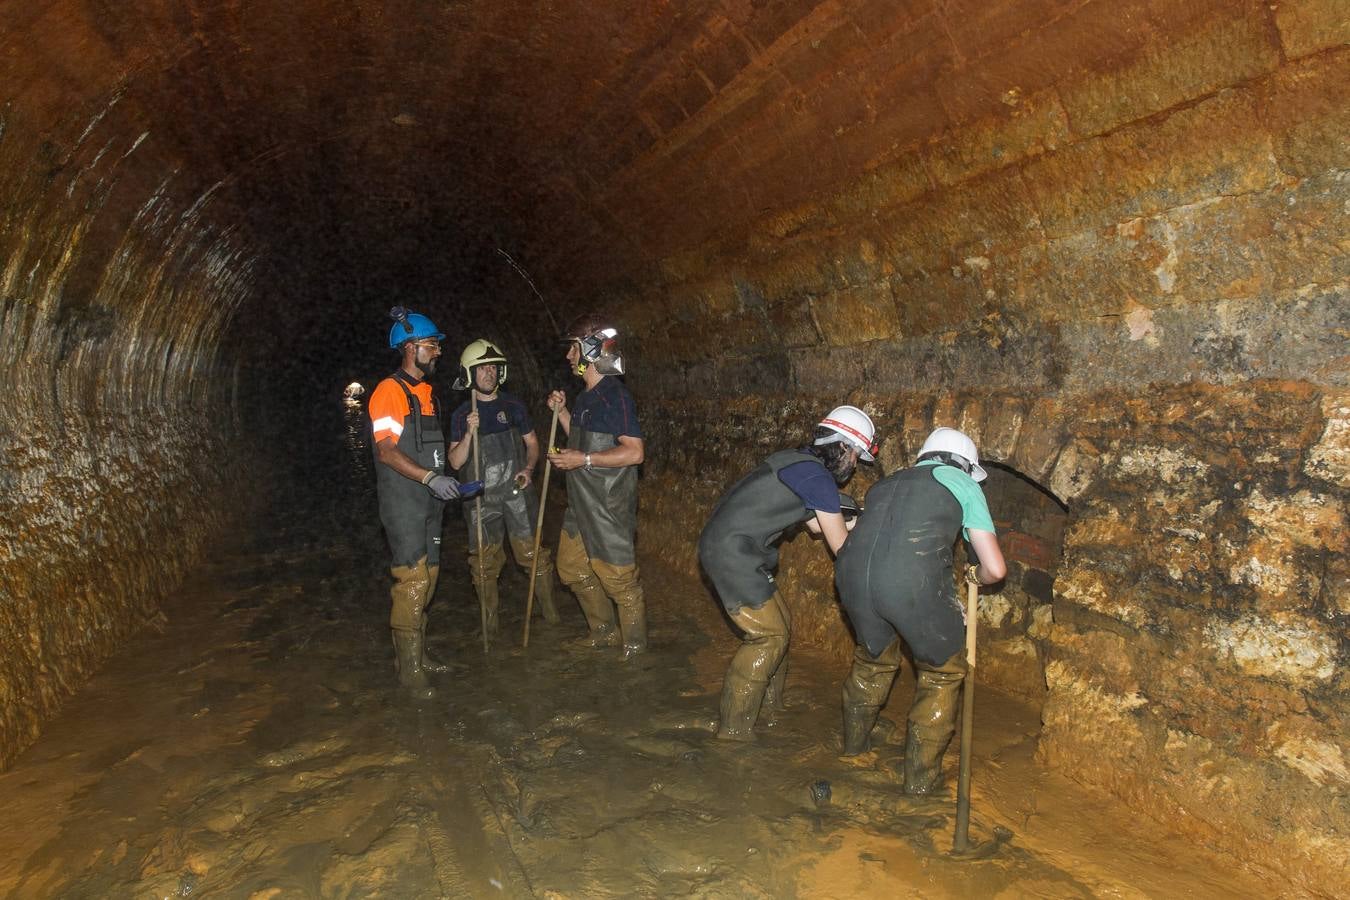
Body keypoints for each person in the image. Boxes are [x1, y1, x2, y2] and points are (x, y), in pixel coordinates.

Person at [834, 427, 1007, 794]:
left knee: (873, 661)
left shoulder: (885, 484)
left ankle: (853, 750)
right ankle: (920, 785)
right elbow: (995, 569)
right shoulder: (964, 484)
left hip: (849, 577)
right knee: (942, 673)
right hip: (909, 584)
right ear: (964, 464)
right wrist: (976, 573)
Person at [699, 406, 877, 742]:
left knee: (782, 623)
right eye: (856, 455)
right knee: (769, 636)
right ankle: (733, 732)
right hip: (733, 552)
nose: (854, 465)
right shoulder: (820, 479)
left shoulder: (795, 460)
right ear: (842, 446)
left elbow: (814, 523)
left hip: (732, 546)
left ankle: (769, 709)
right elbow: (841, 547)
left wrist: (854, 518)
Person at [368, 308, 467, 700]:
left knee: (430, 580)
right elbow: (387, 452)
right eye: (432, 345)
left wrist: (448, 480)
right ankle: (409, 671)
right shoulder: (387, 392)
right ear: (410, 348)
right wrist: (430, 478)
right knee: (411, 582)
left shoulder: (426, 394)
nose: (438, 352)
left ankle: (420, 655)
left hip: (431, 506)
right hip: (404, 504)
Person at [545, 316, 647, 659]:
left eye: (574, 348)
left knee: (620, 582)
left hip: (607, 504)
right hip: (581, 502)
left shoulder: (614, 396)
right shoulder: (588, 396)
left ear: (590, 350)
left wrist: (583, 460)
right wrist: (562, 415)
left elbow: (634, 452)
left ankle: (635, 650)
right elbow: (582, 434)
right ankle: (604, 631)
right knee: (571, 569)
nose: (569, 356)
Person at [447, 338, 560, 637]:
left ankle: (551, 616)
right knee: (483, 563)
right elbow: (456, 462)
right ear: (470, 373)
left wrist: (528, 468)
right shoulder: (461, 415)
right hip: (479, 497)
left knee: (534, 555)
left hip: (516, 491)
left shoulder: (513, 406)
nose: (489, 374)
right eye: (482, 368)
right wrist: (470, 434)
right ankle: (490, 626)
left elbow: (533, 444)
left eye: (494, 368)